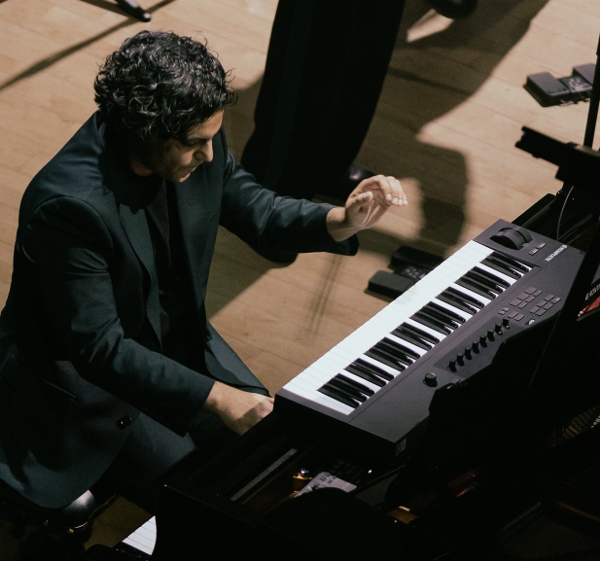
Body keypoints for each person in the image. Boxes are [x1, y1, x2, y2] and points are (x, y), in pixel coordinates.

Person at [0, 30, 407, 514]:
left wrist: (341, 220)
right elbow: (100, 350)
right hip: (89, 394)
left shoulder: (194, 135)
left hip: (177, 342)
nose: (211, 156)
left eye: (212, 139)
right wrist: (217, 397)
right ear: (149, 132)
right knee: (211, 498)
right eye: (196, 145)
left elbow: (257, 209)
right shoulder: (68, 209)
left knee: (276, 449)